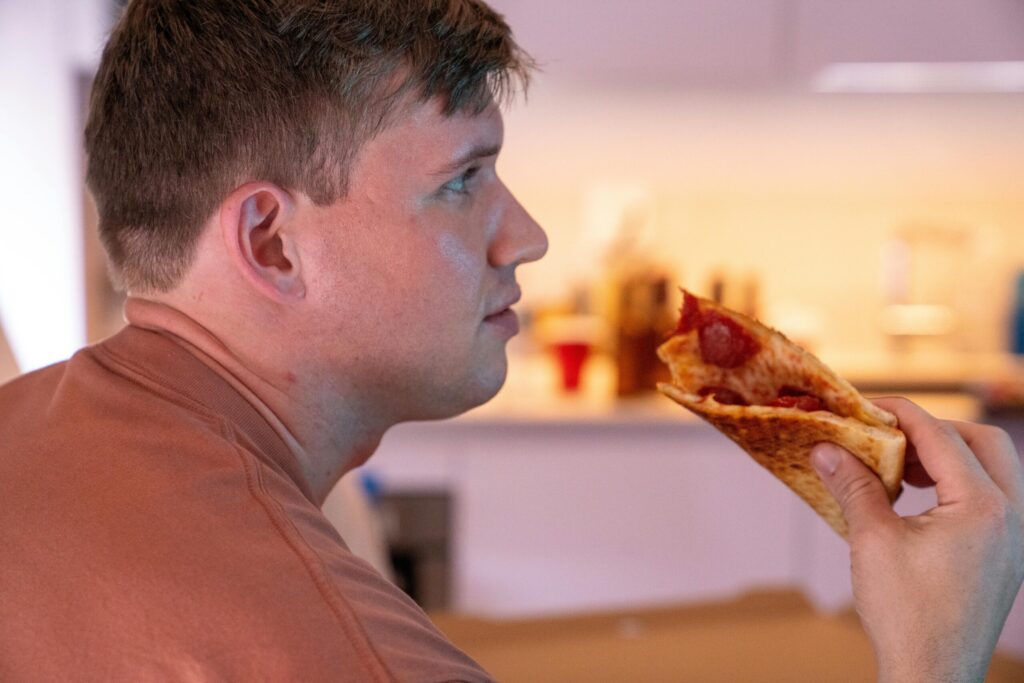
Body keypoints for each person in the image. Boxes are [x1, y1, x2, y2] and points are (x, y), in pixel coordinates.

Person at [0, 0, 1019, 681]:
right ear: (271, 241)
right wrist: (936, 656)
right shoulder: (346, 650)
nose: (525, 235)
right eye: (459, 181)